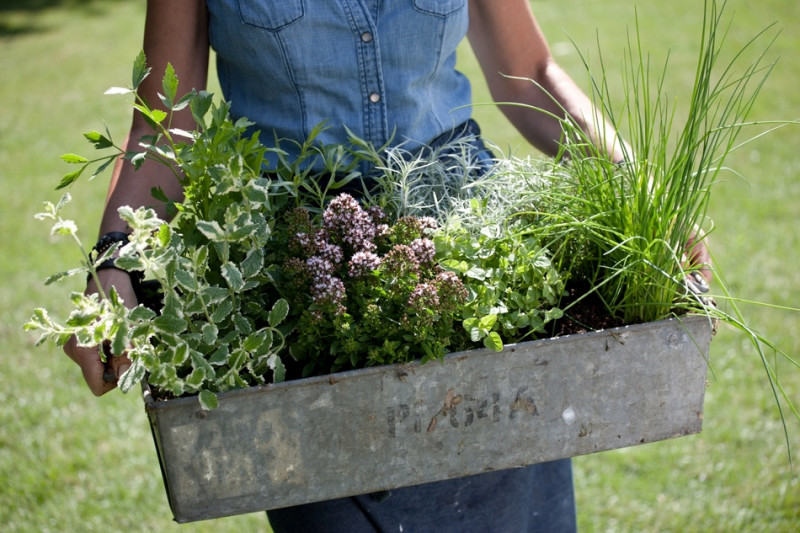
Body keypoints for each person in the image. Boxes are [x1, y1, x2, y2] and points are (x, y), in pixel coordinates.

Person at [64, 1, 707, 531]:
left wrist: (639, 189)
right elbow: (164, 128)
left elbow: (528, 69)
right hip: (307, 281)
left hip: (476, 266)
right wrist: (115, 263)